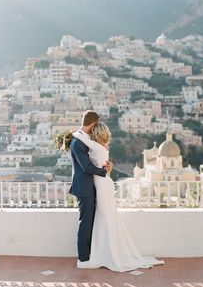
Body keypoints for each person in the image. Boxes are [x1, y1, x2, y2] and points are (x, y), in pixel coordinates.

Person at [72, 122, 165, 272]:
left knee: (105, 218)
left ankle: (105, 253)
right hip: (104, 183)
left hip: (102, 185)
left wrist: (74, 133)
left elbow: (81, 139)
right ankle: (106, 252)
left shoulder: (95, 146)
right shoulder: (102, 147)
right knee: (106, 218)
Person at [69, 111, 113, 266]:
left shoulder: (83, 139)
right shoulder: (77, 142)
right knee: (85, 223)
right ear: (93, 123)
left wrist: (108, 165)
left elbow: (96, 157)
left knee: (90, 223)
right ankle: (83, 259)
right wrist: (104, 172)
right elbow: (86, 166)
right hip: (84, 188)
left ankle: (90, 254)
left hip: (91, 186)